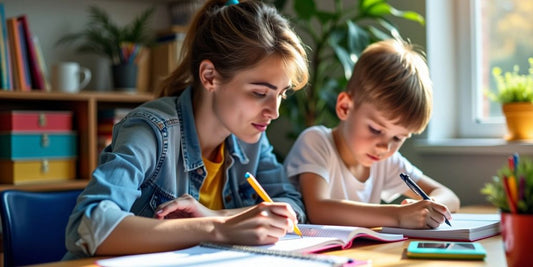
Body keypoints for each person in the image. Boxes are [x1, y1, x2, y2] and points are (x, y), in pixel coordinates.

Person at [64, 0, 309, 259]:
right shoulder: (151, 130)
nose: (275, 111)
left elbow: (290, 204)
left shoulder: (251, 136)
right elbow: (88, 224)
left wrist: (217, 216)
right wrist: (218, 228)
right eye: (260, 93)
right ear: (209, 76)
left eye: (281, 94)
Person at [284, 39, 460, 229]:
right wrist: (398, 215)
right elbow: (319, 210)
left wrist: (429, 206)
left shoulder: (385, 162)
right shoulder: (316, 141)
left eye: (398, 138)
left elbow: (450, 197)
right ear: (345, 107)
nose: (385, 147)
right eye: (376, 130)